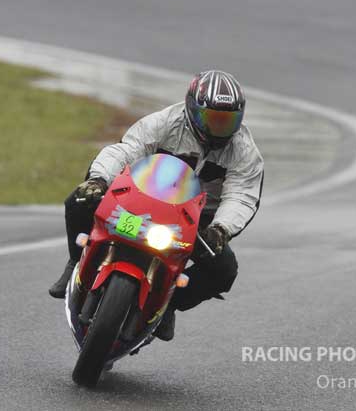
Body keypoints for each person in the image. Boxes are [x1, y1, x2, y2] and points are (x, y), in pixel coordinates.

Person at [49, 70, 264, 341]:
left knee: (224, 271)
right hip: (144, 201)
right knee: (79, 201)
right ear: (192, 109)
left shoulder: (244, 151)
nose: (219, 128)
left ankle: (169, 304)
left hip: (197, 221)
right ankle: (75, 261)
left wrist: (221, 229)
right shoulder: (163, 122)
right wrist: (99, 180)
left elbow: (242, 195)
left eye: (227, 121)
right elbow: (126, 150)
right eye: (212, 119)